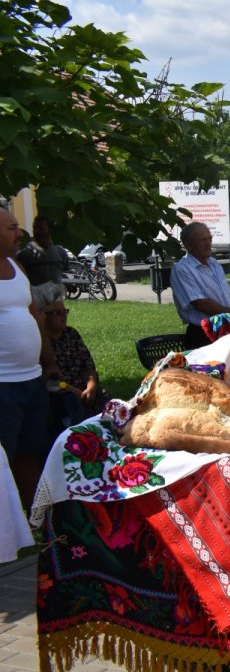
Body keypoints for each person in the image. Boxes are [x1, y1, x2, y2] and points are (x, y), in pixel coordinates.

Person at [0, 206, 63, 518]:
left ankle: (33, 519)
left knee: (31, 450)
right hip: (3, 385)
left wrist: (48, 360)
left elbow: (34, 315)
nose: (19, 233)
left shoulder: (16, 266)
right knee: (4, 457)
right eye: (12, 227)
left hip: (32, 379)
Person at [171, 222, 230, 349]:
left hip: (228, 328)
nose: (208, 244)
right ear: (188, 245)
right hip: (203, 334)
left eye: (209, 238)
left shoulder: (214, 264)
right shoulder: (182, 269)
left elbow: (228, 294)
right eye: (202, 240)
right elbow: (200, 303)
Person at [39, 289, 108, 426]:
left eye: (64, 311)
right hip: (60, 392)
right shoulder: (41, 342)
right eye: (56, 313)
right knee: (71, 402)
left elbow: (88, 365)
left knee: (104, 397)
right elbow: (47, 379)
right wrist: (74, 391)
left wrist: (91, 386)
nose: (63, 316)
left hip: (83, 388)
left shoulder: (71, 334)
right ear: (43, 316)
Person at [16, 215, 68, 286]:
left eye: (41, 229)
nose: (36, 231)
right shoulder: (24, 255)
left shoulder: (61, 253)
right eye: (34, 228)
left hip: (57, 296)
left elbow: (63, 273)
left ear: (50, 230)